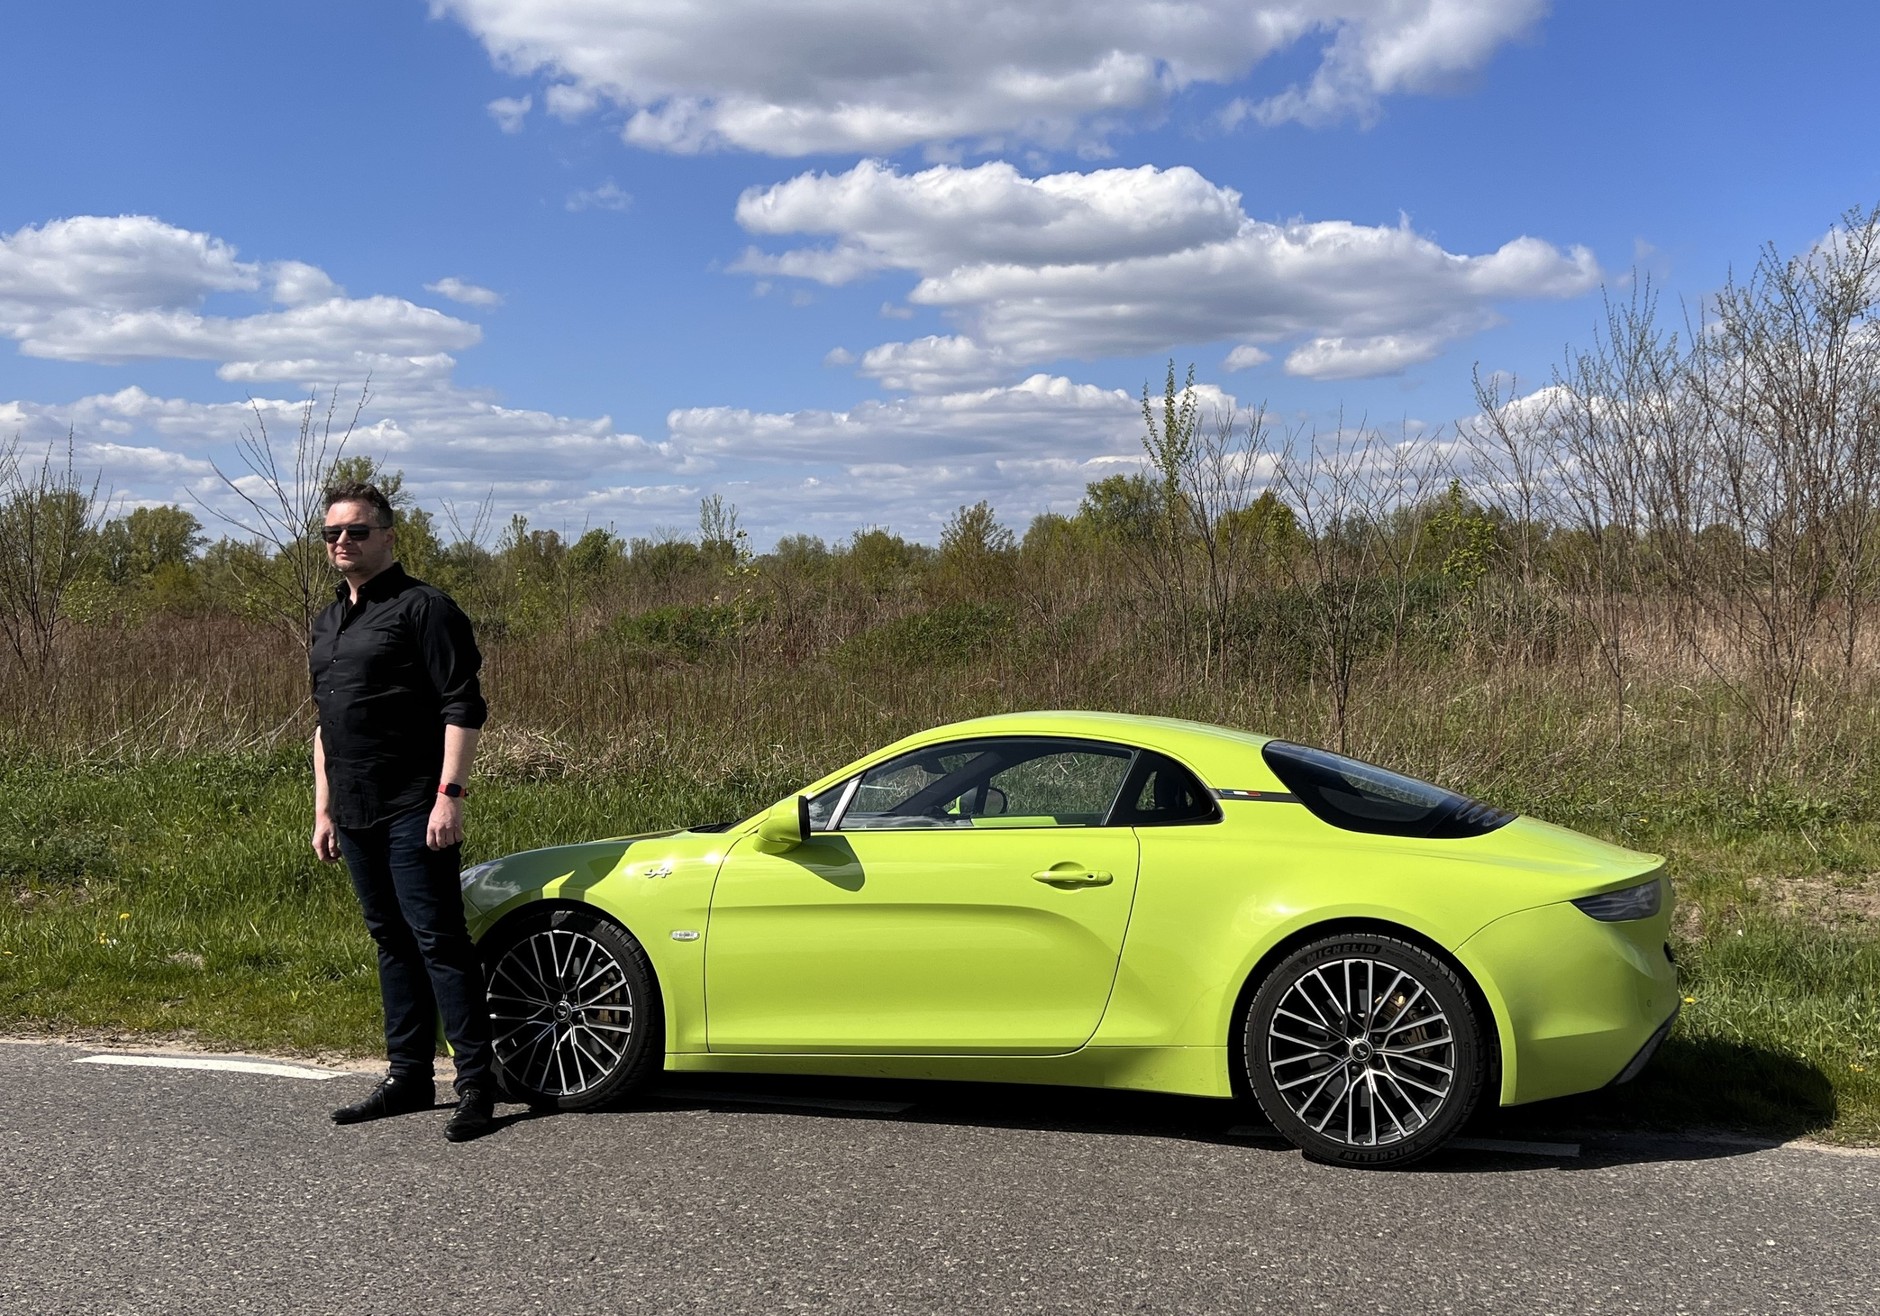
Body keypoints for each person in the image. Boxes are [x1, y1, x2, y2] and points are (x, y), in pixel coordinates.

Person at [309, 480, 497, 1142]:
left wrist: (450, 795)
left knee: (438, 940)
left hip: (415, 804)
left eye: (356, 531)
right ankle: (410, 1077)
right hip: (354, 808)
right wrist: (324, 811)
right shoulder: (329, 619)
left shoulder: (426, 608)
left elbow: (462, 706)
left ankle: (477, 1084)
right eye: (332, 533)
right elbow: (326, 723)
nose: (343, 542)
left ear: (387, 536)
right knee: (390, 940)